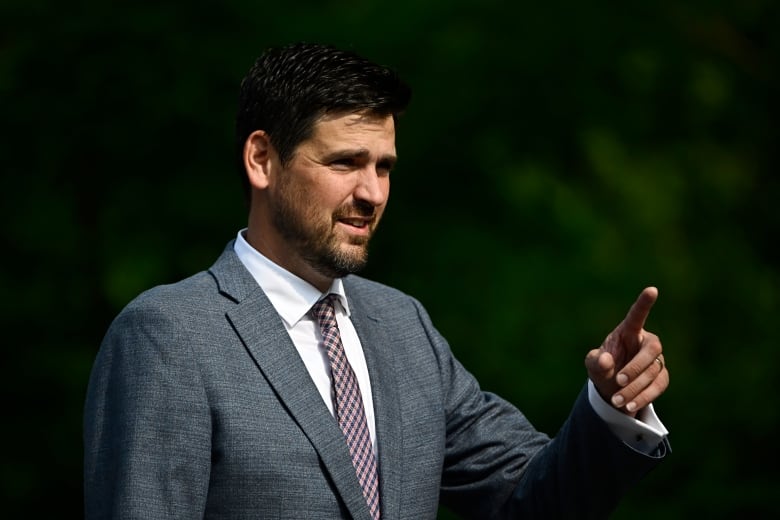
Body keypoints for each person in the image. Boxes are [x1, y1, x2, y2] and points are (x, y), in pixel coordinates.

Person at [83, 42, 670, 519]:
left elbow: (531, 498)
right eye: (344, 163)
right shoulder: (167, 335)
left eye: (383, 166)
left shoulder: (402, 325)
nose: (372, 193)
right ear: (261, 159)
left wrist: (610, 406)